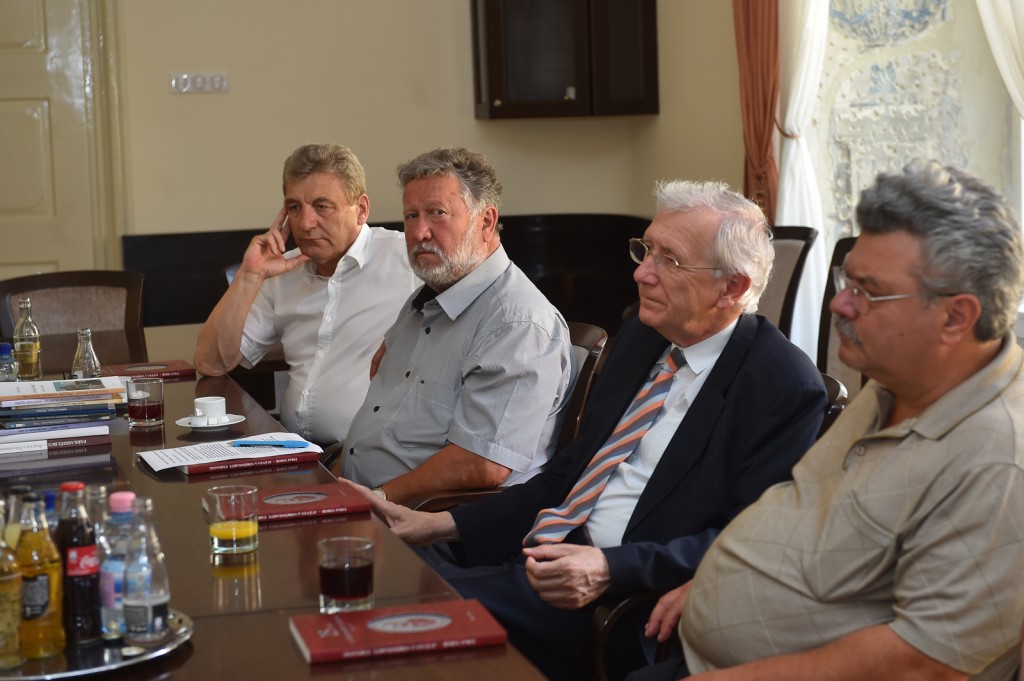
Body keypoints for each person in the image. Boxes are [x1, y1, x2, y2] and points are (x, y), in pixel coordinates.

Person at [355, 179, 829, 680]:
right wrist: (440, 524)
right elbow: (568, 477)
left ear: (733, 287)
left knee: (400, 612)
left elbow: (750, 542)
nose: (641, 273)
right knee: (383, 571)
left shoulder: (780, 384)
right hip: (536, 556)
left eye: (670, 260)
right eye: (646, 250)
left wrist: (610, 568)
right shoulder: (644, 338)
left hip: (619, 605)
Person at [640, 159, 1024, 681]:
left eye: (867, 290)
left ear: (955, 317)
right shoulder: (898, 382)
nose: (840, 304)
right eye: (847, 280)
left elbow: (925, 663)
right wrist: (716, 579)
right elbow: (813, 516)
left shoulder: (999, 459)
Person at [340, 147, 575, 504]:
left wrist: (376, 499)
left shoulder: (516, 323)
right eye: (411, 215)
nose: (420, 231)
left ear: (486, 221)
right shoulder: (429, 297)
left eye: (438, 213)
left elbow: (482, 464)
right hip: (357, 492)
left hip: (419, 519)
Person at [193, 143, 419, 445]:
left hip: (369, 452)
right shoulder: (282, 273)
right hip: (293, 448)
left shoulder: (406, 259)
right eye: (295, 208)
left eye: (322, 206)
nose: (305, 223)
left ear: (361, 209)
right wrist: (249, 276)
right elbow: (211, 363)